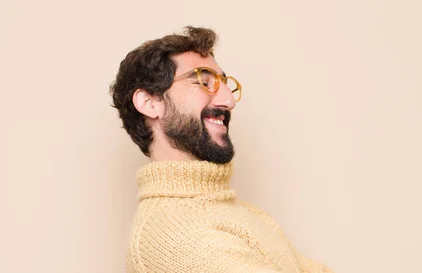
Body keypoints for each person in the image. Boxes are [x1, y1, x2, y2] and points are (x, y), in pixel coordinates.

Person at [109, 26, 334, 273]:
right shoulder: (175, 233)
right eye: (204, 82)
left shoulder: (236, 212)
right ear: (150, 103)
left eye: (225, 86)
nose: (229, 101)